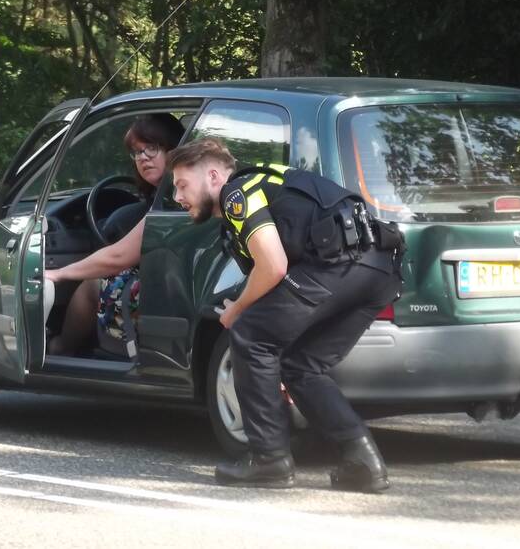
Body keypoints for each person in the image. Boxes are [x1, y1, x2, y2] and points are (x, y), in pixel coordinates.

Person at [167, 138, 404, 493]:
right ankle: (362, 463)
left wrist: (237, 309)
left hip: (336, 264)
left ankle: (269, 459)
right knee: (301, 365)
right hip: (378, 269)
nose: (176, 197)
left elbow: (274, 266)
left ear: (213, 176)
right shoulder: (268, 180)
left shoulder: (237, 194)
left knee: (250, 333)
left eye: (182, 185)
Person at [44, 113, 184, 356]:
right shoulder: (169, 194)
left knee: (93, 284)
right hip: (176, 284)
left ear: (173, 149)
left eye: (151, 148)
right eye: (137, 152)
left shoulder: (176, 196)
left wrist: (58, 273)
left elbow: (118, 257)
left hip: (171, 291)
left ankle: (62, 348)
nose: (143, 158)